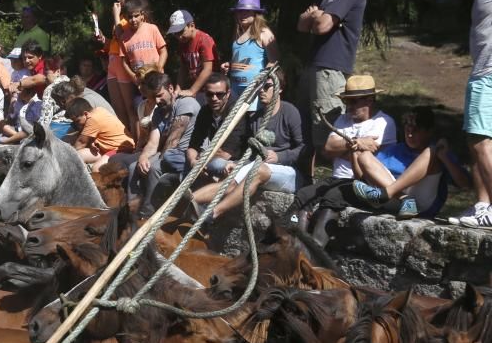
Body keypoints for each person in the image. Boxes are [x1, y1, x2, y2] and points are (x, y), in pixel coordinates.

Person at [291, 74, 396, 243]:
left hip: (362, 182)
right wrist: (355, 144)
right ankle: (295, 242)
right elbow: (328, 148)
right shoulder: (343, 119)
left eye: (354, 101)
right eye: (347, 101)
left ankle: (315, 250)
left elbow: (372, 156)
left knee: (332, 197)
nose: (349, 106)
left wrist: (343, 149)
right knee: (304, 194)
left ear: (369, 100)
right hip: (336, 178)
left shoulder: (383, 122)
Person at [192, 74, 307, 220]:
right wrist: (237, 164)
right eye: (259, 87)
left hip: (289, 173)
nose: (261, 91)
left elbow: (304, 149)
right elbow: (251, 153)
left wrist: (280, 156)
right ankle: (189, 200)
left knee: (259, 170)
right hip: (259, 167)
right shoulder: (255, 118)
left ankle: (213, 213)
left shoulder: (290, 112)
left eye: (267, 86)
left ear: (279, 89)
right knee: (232, 179)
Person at [296, 0, 367, 151]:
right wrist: (316, 16)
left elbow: (322, 25)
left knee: (325, 134)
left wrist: (317, 17)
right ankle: (305, 182)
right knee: (303, 132)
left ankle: (331, 181)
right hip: (313, 66)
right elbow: (301, 23)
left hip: (331, 68)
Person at [349, 107, 471, 219]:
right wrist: (353, 153)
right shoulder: (394, 150)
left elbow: (465, 184)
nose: (410, 134)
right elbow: (364, 178)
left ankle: (393, 194)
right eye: (407, 130)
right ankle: (404, 199)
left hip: (422, 203)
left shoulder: (439, 151)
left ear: (429, 131)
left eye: (416, 130)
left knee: (431, 151)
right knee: (363, 155)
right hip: (394, 202)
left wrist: (443, 157)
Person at [124, 72, 202, 214]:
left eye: (160, 95)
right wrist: (143, 157)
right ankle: (131, 212)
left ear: (170, 89)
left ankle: (148, 213)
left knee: (153, 168)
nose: (157, 100)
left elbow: (173, 140)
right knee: (133, 166)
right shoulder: (159, 112)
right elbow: (153, 142)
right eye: (153, 96)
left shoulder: (185, 103)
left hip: (186, 153)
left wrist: (152, 161)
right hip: (168, 153)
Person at [460, 0, 492, 227]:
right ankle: (484, 206)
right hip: (479, 71)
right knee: (475, 140)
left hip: (489, 72)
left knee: (482, 142)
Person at [97, 0, 149, 130]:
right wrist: (104, 40)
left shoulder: (134, 18)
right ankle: (126, 143)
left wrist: (116, 16)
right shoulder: (122, 17)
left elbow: (124, 40)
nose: (118, 0)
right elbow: (115, 43)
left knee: (129, 109)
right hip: (112, 62)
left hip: (122, 63)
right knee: (118, 110)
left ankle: (135, 143)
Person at [186, 73, 250, 177]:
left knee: (216, 164)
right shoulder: (205, 111)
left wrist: (201, 158)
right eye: (209, 94)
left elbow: (227, 153)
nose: (214, 98)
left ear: (228, 93)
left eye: (219, 94)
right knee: (172, 157)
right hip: (210, 157)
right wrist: (193, 161)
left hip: (236, 161)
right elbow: (193, 145)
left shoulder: (237, 112)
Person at [225, 0, 279, 107]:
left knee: (254, 123)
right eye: (239, 11)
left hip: (255, 92)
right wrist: (229, 66)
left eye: (247, 11)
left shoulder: (264, 33)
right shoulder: (237, 34)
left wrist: (262, 81)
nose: (242, 14)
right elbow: (240, 58)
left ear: (256, 13)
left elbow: (274, 62)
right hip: (235, 91)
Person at [67, 97, 135, 171]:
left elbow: (81, 143)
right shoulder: (99, 110)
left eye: (77, 121)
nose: (77, 125)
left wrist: (66, 156)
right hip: (104, 149)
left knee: (97, 169)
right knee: (78, 155)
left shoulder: (93, 119)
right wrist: (91, 143)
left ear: (85, 113)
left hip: (120, 149)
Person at [168, 10, 218, 101]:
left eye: (181, 32)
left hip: (211, 90)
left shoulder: (204, 40)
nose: (179, 37)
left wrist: (192, 90)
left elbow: (208, 69)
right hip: (197, 90)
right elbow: (183, 68)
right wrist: (178, 89)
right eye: (175, 33)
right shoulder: (183, 43)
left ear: (192, 26)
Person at [115, 0, 167, 83]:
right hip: (140, 80)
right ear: (125, 17)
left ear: (142, 15)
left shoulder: (152, 28)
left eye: (136, 16)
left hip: (157, 76)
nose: (133, 19)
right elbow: (124, 62)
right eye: (130, 17)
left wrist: (159, 67)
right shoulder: (124, 37)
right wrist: (133, 76)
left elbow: (163, 51)